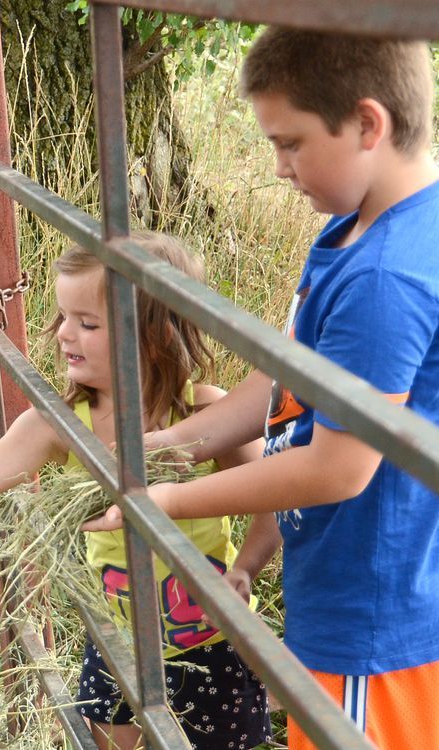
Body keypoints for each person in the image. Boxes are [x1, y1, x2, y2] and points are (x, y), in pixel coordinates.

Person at [84, 29, 439, 750]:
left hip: (375, 614)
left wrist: (169, 502)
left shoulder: (384, 277)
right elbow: (287, 375)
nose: (278, 167)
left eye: (292, 143)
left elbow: (340, 469)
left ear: (370, 124)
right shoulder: (352, 228)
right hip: (344, 582)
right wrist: (176, 445)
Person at [0, 233, 273, 750]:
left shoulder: (206, 415)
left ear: (153, 335)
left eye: (87, 323)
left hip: (215, 642)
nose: (63, 334)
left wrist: (247, 569)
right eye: (62, 317)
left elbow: (271, 501)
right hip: (116, 637)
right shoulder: (59, 425)